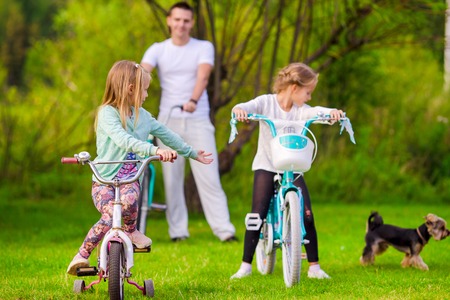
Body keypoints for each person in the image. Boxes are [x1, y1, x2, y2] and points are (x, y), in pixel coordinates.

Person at [67, 60, 214, 275]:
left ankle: (130, 230)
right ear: (130, 89)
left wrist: (191, 152)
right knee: (109, 216)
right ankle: (82, 255)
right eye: (144, 90)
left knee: (129, 200)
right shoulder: (108, 113)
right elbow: (123, 139)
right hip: (104, 181)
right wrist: (154, 151)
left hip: (129, 179)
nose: (146, 95)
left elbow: (167, 135)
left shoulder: (143, 116)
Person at [230, 62, 344, 280]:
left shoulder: (301, 111)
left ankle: (314, 267)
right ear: (294, 87)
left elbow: (317, 112)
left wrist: (332, 113)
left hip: (293, 167)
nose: (309, 97)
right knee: (258, 213)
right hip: (267, 164)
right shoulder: (266, 103)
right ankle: (246, 265)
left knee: (306, 214)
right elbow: (246, 106)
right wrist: (239, 110)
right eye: (308, 92)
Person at [140, 2, 236, 242]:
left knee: (208, 175)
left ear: (191, 23)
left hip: (197, 118)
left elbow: (203, 75)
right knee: (172, 180)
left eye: (186, 21)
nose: (181, 25)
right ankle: (178, 232)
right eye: (177, 20)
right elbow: (141, 72)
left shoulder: (203, 47)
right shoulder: (157, 49)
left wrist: (193, 99)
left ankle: (225, 231)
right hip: (168, 120)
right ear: (169, 22)